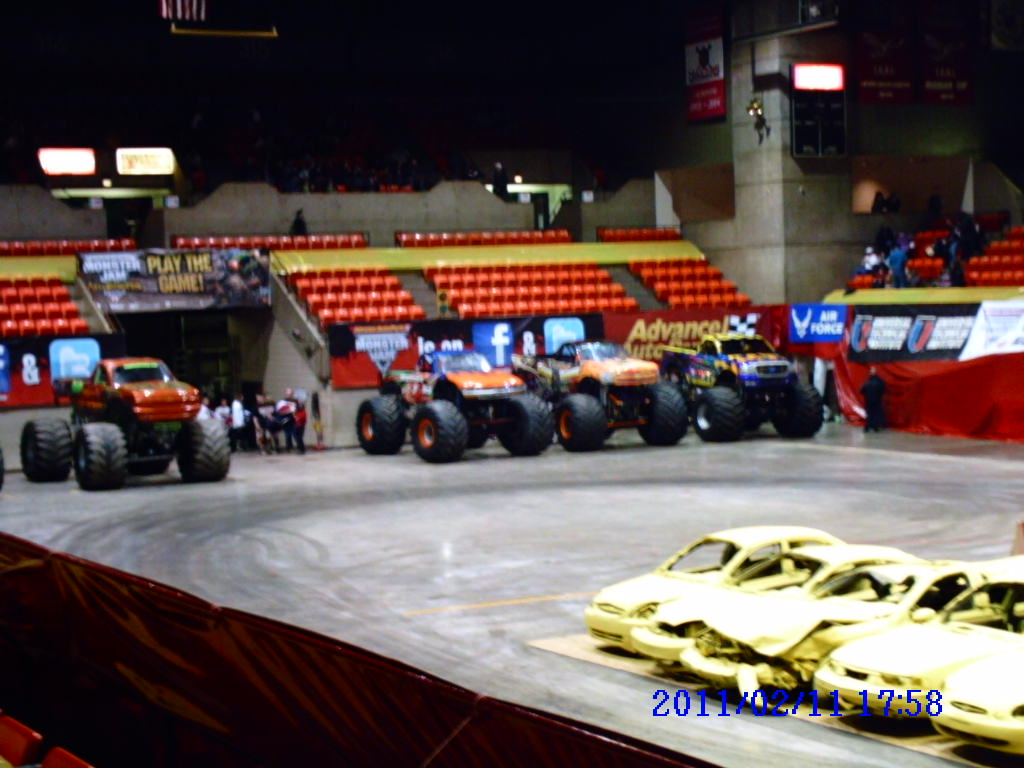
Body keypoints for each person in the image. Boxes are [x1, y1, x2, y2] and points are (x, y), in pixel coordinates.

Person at [860, 367, 886, 433]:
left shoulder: (867, 382)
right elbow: (883, 391)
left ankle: (867, 427)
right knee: (876, 413)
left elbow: (862, 391)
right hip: (877, 400)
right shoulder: (880, 382)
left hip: (868, 401)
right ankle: (875, 428)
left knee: (869, 414)